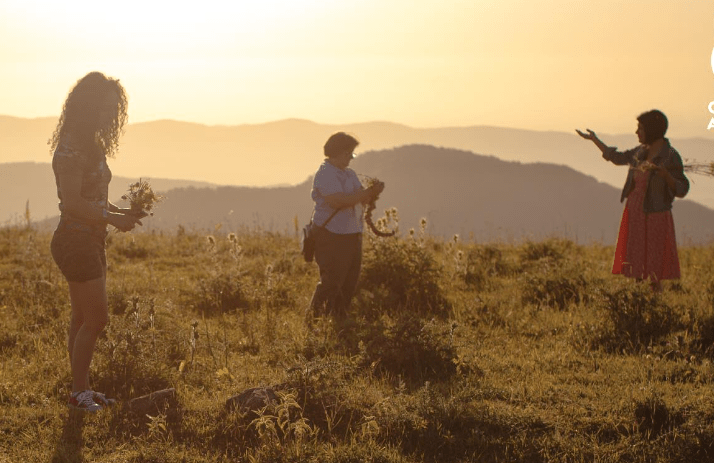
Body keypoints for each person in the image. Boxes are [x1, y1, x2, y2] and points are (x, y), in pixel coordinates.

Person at [49, 72, 145, 411]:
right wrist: (111, 218)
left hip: (90, 240)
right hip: (76, 241)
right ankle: (79, 392)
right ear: (88, 108)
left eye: (112, 110)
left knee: (81, 317)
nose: (109, 116)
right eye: (104, 109)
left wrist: (123, 212)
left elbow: (94, 199)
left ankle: (82, 391)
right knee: (97, 319)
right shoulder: (72, 148)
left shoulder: (90, 144)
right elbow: (73, 203)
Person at [576, 109, 689, 291]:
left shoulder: (670, 156)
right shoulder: (640, 152)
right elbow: (617, 157)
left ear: (651, 130)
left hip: (656, 215)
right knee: (637, 265)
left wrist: (667, 176)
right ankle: (640, 304)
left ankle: (654, 307)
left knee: (653, 267)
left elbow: (682, 189)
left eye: (641, 129)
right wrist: (595, 140)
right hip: (635, 212)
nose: (637, 133)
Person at [309, 132, 384, 319]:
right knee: (332, 281)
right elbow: (339, 201)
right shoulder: (325, 174)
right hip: (331, 234)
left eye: (352, 154)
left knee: (349, 282)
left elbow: (361, 198)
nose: (351, 158)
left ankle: (338, 319)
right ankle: (315, 320)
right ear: (337, 152)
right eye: (348, 154)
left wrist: (373, 193)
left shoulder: (349, 174)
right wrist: (366, 193)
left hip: (352, 233)